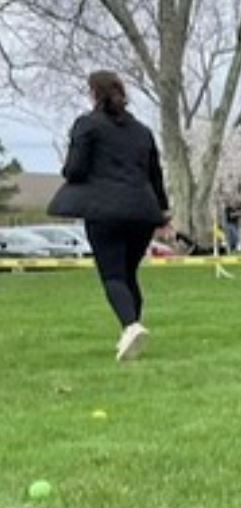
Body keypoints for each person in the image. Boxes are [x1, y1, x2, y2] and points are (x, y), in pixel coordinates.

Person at [47, 70, 169, 362]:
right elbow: (155, 175)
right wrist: (163, 213)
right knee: (129, 275)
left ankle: (131, 326)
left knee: (113, 275)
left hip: (105, 210)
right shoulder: (142, 131)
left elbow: (75, 169)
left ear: (93, 94)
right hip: (142, 211)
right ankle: (131, 335)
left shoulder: (87, 125)